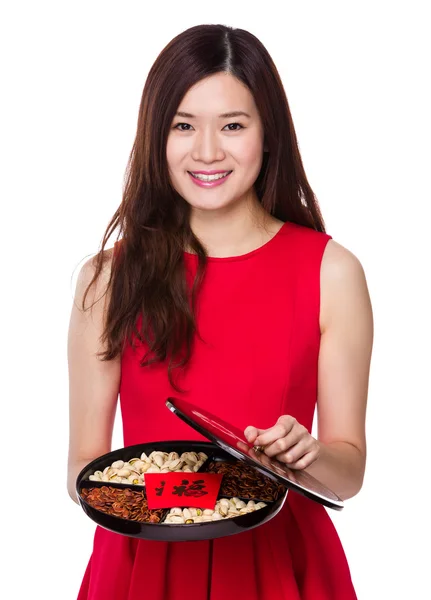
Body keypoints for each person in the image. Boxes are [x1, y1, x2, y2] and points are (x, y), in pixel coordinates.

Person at [67, 23, 373, 600]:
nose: (208, 151)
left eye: (233, 125)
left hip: (282, 564)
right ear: (156, 136)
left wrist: (306, 456)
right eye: (184, 126)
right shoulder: (107, 279)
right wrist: (193, 496)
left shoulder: (331, 272)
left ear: (268, 134)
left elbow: (348, 471)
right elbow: (83, 468)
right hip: (141, 567)